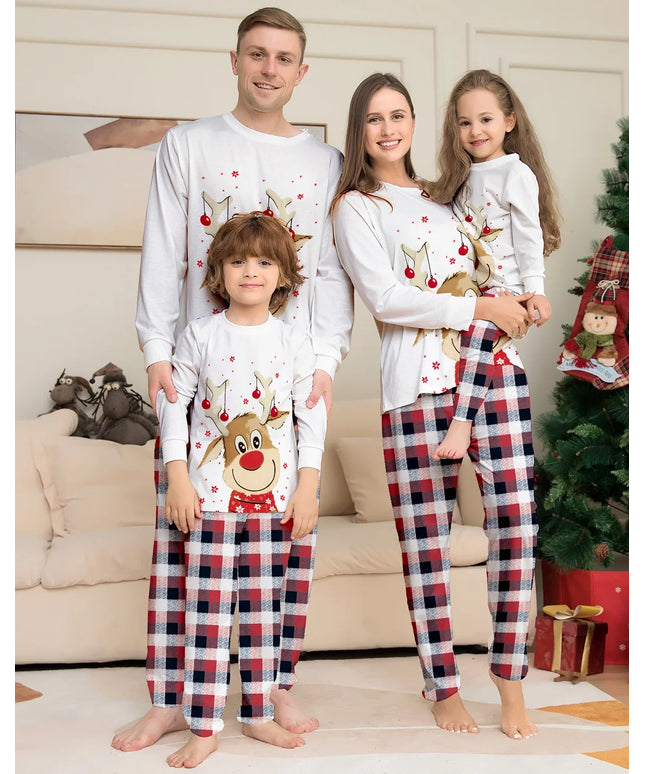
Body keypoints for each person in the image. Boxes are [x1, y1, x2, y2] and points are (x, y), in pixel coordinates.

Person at [112, 6, 352, 756]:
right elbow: (161, 249)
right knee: (181, 553)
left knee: (277, 558)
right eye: (257, 54)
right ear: (235, 59)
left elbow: (331, 273)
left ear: (301, 72)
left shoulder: (324, 162)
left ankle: (268, 685)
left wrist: (326, 359)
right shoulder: (189, 144)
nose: (269, 68)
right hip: (199, 376)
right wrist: (156, 347)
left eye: (284, 58)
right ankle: (171, 699)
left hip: (284, 375)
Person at [331, 72, 539, 740]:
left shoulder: (450, 195)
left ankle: (508, 681)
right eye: (373, 119)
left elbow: (499, 256)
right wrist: (481, 305)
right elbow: (388, 299)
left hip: (494, 375)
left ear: (418, 123)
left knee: (515, 530)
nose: (388, 129)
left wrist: (523, 298)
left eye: (399, 115)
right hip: (413, 389)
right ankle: (441, 684)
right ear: (357, 131)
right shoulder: (355, 208)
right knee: (424, 545)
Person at [155, 212, 326, 767]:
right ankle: (203, 726)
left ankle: (256, 714)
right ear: (217, 273)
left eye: (263, 261)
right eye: (237, 261)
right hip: (208, 502)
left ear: (282, 275)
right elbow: (173, 407)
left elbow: (310, 421)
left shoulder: (295, 339)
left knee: (264, 613)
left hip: (277, 504)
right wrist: (178, 476)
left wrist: (308, 489)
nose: (249, 271)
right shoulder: (200, 333)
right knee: (207, 614)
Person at [429, 69, 561, 460]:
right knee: (471, 344)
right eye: (464, 122)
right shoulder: (461, 175)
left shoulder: (515, 173)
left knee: (480, 338)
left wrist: (535, 291)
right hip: (474, 288)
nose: (475, 131)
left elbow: (528, 233)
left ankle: (462, 423)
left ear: (509, 121)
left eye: (485, 120)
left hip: (507, 287)